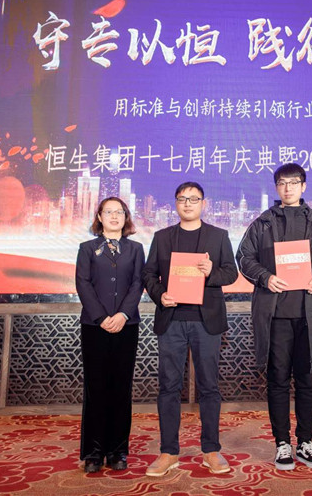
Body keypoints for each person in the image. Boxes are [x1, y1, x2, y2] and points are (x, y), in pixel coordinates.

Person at [236, 163, 312, 471]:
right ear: (277, 188)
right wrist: (265, 277)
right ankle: (282, 443)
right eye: (282, 183)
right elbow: (244, 257)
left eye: (294, 182)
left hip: (310, 315)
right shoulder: (263, 223)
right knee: (278, 380)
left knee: (308, 380)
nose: (288, 188)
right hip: (276, 317)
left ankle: (306, 441)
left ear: (303, 186)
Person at [142, 181, 239, 477]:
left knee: (209, 386)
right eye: (182, 199)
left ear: (203, 204)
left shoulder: (218, 236)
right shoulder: (162, 237)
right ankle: (168, 452)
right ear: (175, 203)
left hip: (206, 321)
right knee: (169, 386)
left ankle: (211, 450)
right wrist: (160, 295)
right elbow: (148, 274)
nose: (187, 203)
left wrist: (211, 272)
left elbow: (231, 273)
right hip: (172, 319)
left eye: (193, 199)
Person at [75, 197, 145, 474]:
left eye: (119, 212)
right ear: (99, 217)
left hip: (126, 326)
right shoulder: (87, 248)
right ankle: (93, 452)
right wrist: (102, 318)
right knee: (96, 388)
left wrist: (123, 314)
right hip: (95, 327)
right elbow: (83, 283)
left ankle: (117, 450)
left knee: (121, 388)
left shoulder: (136, 249)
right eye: (109, 212)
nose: (114, 216)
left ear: (126, 217)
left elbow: (137, 283)